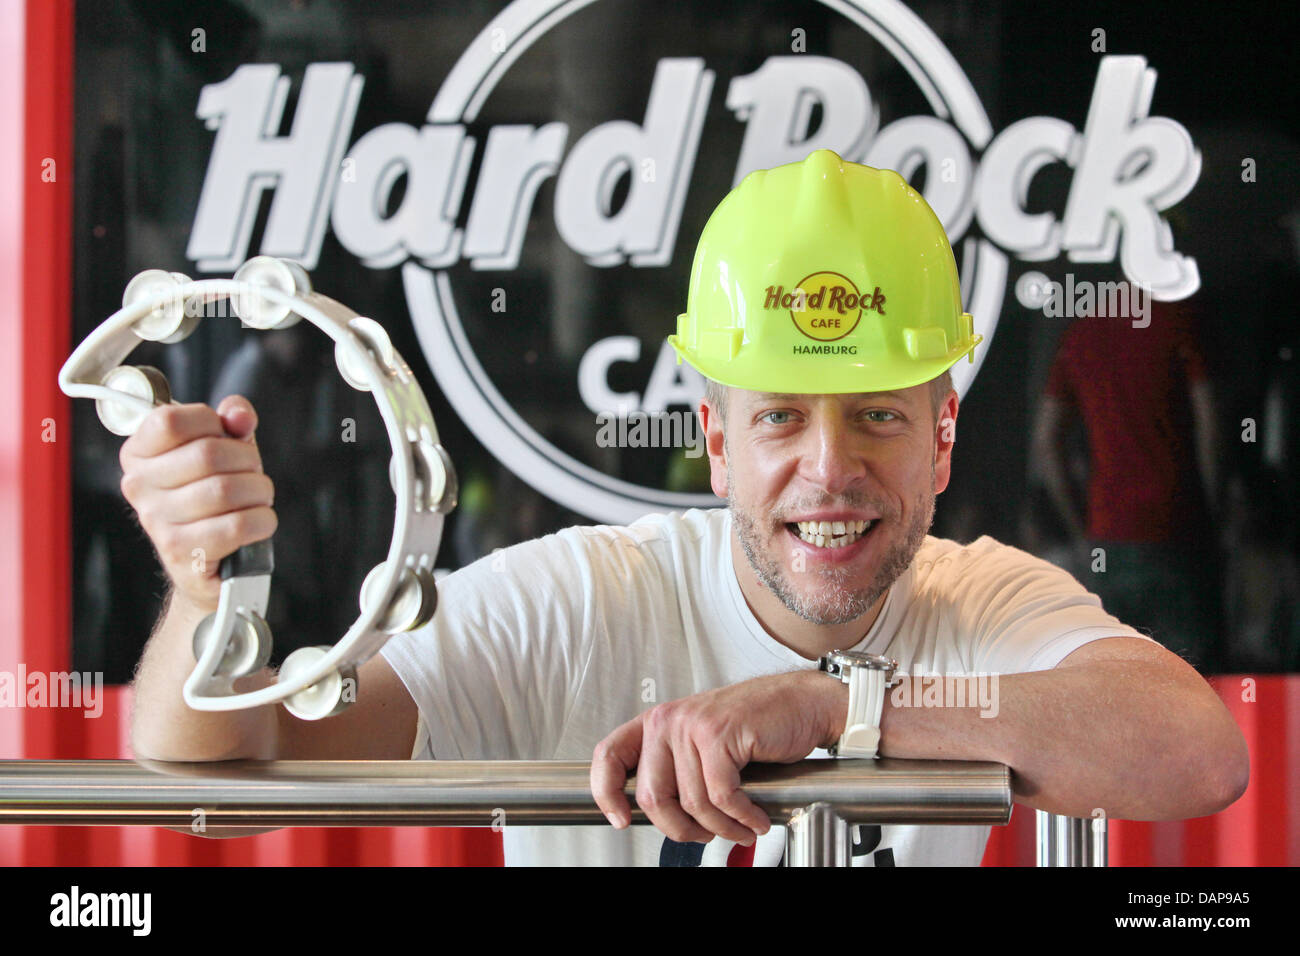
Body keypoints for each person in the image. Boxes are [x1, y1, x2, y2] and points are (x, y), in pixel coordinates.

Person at [122, 149, 1248, 866]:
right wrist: (212, 580)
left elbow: (1194, 751)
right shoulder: (576, 601)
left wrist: (829, 707)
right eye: (778, 420)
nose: (829, 467)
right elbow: (217, 782)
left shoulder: (981, 597)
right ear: (713, 442)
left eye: (878, 417)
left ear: (942, 438)